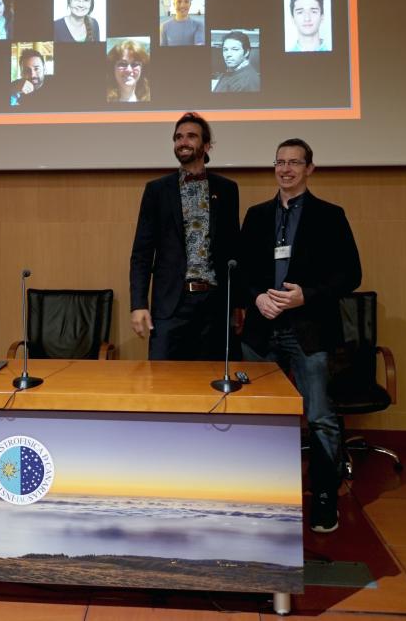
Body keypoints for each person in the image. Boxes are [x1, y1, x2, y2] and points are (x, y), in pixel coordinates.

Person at [240, 138, 361, 532]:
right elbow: (240, 274)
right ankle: (264, 498)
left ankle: (324, 498)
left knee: (321, 418)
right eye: (280, 162)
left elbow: (350, 275)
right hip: (262, 333)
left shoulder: (330, 215)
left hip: (309, 331)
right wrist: (258, 298)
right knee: (259, 418)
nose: (286, 169)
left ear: (310, 168)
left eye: (295, 162)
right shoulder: (257, 216)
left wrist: (304, 296)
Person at [130, 112, 240, 360]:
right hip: (171, 306)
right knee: (163, 384)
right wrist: (138, 304)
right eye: (178, 137)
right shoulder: (157, 190)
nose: (183, 142)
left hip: (215, 304)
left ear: (207, 144)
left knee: (211, 382)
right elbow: (141, 253)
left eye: (191, 136)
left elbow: (234, 250)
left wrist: (238, 305)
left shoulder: (227, 189)